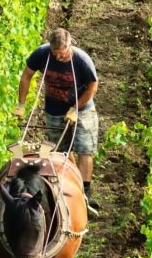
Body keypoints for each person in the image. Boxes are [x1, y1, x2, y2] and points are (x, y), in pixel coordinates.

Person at [13, 28, 100, 212]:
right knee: (61, 151)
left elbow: (93, 87)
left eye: (63, 53)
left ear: (70, 45)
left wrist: (75, 107)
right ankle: (70, 183)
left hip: (83, 109)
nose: (59, 57)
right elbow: (26, 75)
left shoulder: (81, 60)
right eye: (56, 54)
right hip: (54, 109)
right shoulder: (42, 54)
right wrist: (21, 104)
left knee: (85, 149)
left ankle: (85, 193)